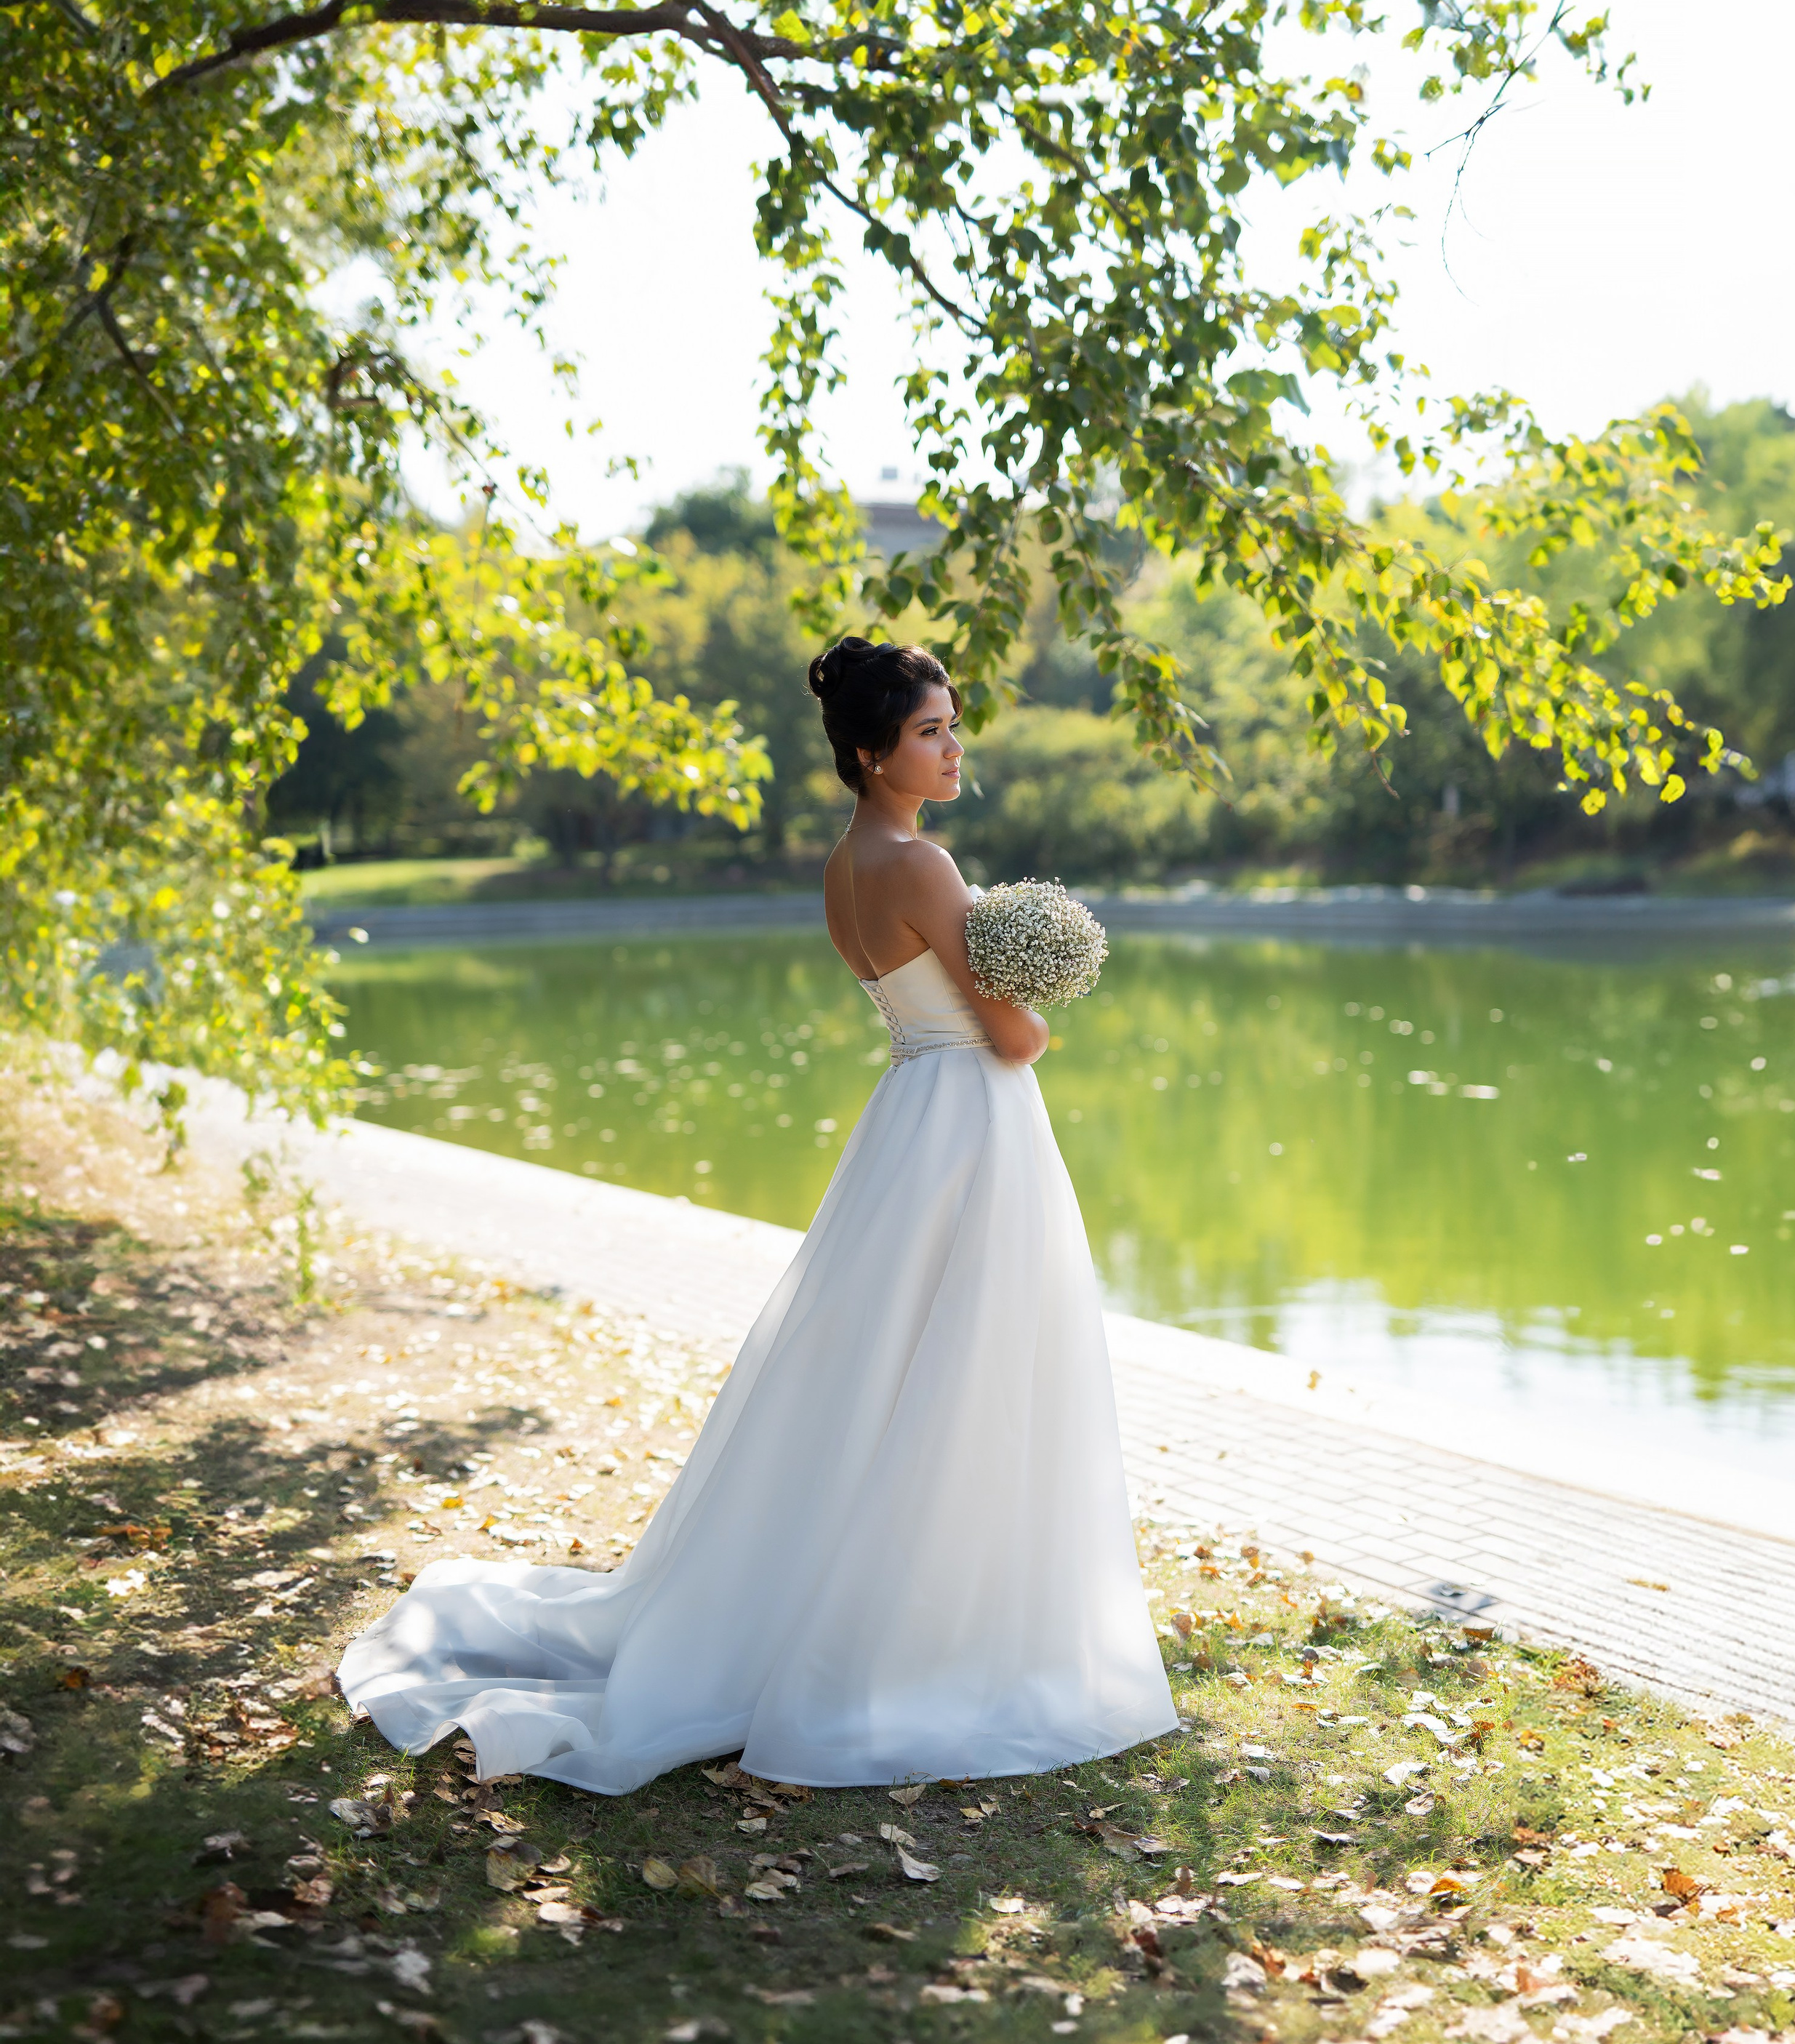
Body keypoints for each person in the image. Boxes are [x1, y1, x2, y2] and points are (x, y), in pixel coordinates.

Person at [338, 635, 1176, 1790]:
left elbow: (923, 1003)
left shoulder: (844, 866)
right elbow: (1015, 1039)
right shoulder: (926, 869)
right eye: (930, 730)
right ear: (874, 753)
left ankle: (838, 1598)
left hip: (909, 1119)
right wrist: (1044, 987)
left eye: (952, 724)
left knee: (876, 1367)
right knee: (966, 1360)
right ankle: (944, 1626)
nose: (951, 745)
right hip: (972, 1124)